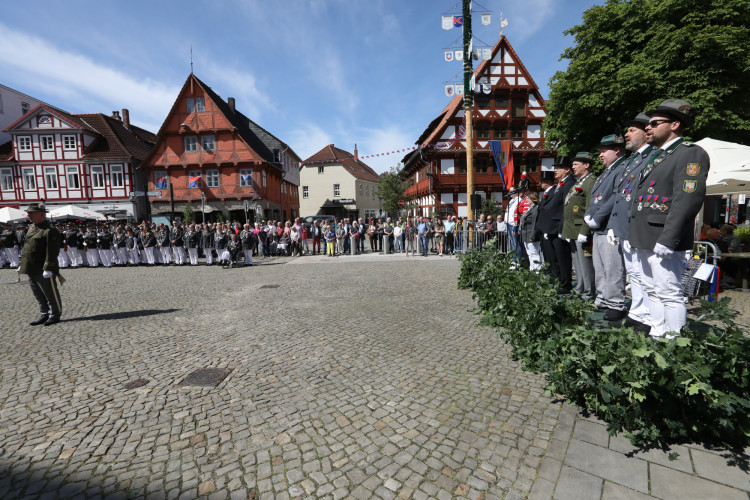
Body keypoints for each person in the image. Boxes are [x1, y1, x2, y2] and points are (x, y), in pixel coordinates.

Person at [627, 99, 709, 338]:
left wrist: (669, 238)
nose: (648, 127)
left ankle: (673, 343)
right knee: (651, 289)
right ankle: (657, 332)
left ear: (674, 125)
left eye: (654, 123)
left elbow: (687, 200)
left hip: (663, 236)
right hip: (644, 235)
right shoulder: (657, 156)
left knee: (669, 292)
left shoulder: (690, 153)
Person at [606, 112, 654, 332]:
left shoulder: (652, 157)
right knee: (634, 272)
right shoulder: (632, 160)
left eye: (632, 130)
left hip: (639, 226)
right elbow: (621, 195)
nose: (627, 133)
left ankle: (647, 315)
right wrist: (614, 225)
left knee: (646, 275)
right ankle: (637, 310)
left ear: (646, 133)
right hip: (625, 226)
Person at [585, 134, 629, 321]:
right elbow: (597, 198)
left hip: (610, 225)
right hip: (600, 227)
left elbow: (616, 196)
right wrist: (590, 214)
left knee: (613, 267)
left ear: (617, 150)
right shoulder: (607, 171)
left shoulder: (622, 168)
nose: (600, 155)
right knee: (600, 266)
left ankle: (616, 303)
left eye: (604, 151)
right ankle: (603, 297)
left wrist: (598, 216)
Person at [20, 203, 63, 326]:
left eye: (32, 213)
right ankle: (44, 313)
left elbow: (52, 250)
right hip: (31, 267)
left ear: (42, 214)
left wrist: (48, 268)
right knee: (38, 293)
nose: (29, 215)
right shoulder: (32, 228)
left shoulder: (49, 230)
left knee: (50, 293)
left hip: (43, 267)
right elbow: (28, 247)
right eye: (28, 213)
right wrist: (23, 263)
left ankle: (55, 314)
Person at [538, 157, 576, 294]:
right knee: (556, 258)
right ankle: (560, 281)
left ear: (567, 170)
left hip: (559, 226)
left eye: (558, 168)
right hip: (552, 227)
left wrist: (561, 227)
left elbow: (565, 207)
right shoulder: (561, 184)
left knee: (563, 258)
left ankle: (566, 284)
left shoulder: (569, 183)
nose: (555, 170)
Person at [563, 152, 596, 299]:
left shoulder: (591, 182)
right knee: (577, 261)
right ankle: (580, 287)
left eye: (576, 164)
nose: (573, 167)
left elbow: (589, 207)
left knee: (585, 262)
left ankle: (589, 291)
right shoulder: (579, 182)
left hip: (581, 229)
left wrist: (585, 230)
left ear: (586, 165)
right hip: (572, 228)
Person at [520, 192, 543, 270]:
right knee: (529, 253)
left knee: (534, 253)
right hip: (526, 234)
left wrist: (533, 235)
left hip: (531, 234)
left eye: (528, 199)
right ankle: (532, 268)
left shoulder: (536, 209)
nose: (527, 200)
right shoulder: (530, 208)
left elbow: (534, 223)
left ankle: (537, 269)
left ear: (533, 199)